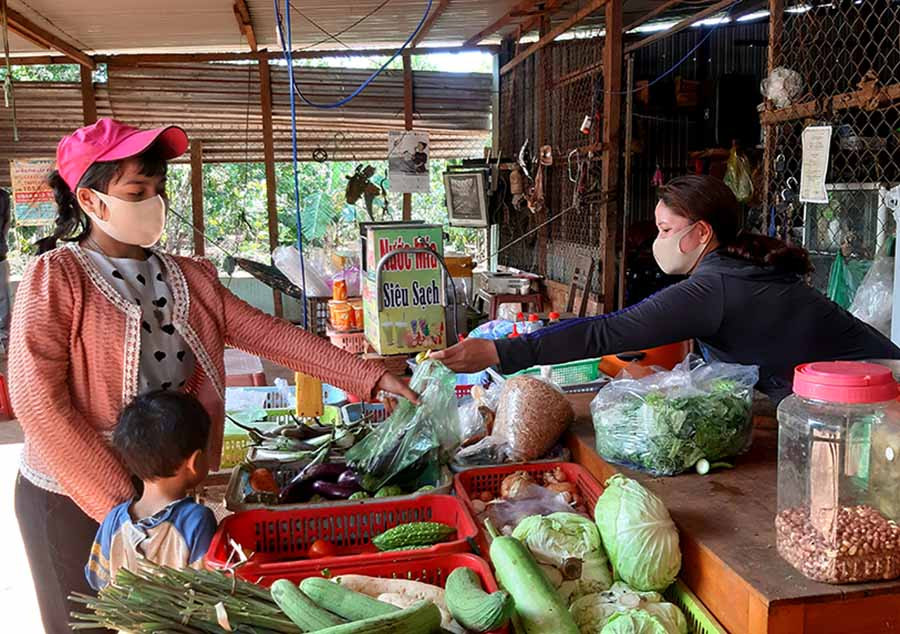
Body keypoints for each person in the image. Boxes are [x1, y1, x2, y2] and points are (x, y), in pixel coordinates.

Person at [9, 118, 417, 634]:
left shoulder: (189, 276)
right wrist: (128, 509)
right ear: (91, 201)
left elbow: (273, 336)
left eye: (158, 189)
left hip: (164, 489)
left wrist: (374, 380)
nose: (153, 202)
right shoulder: (58, 276)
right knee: (89, 626)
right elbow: (37, 402)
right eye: (137, 190)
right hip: (71, 496)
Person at [434, 175, 900, 402]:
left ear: (700, 233)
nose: (656, 241)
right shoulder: (733, 272)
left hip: (882, 396)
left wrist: (500, 354)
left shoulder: (714, 287)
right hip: (865, 391)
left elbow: (606, 332)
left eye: (663, 229)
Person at [86, 391, 217, 591]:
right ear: (195, 462)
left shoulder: (113, 519)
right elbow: (210, 588)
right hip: (183, 623)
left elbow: (97, 579)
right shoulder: (196, 519)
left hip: (122, 622)